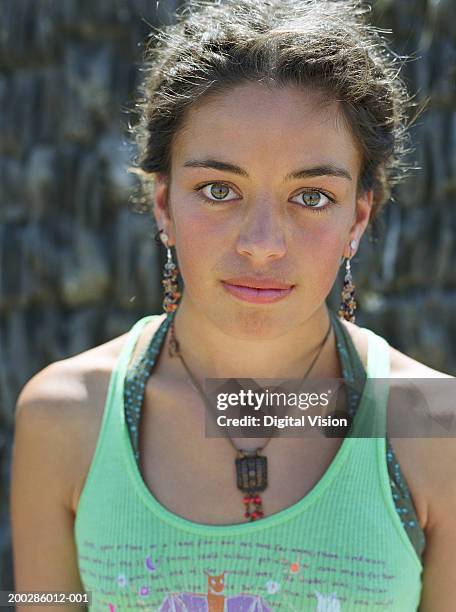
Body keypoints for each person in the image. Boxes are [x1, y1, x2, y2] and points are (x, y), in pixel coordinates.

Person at [10, 0, 456, 610]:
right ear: (164, 204)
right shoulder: (65, 417)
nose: (263, 245)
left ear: (360, 215)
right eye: (219, 190)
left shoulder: (436, 425)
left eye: (313, 196)